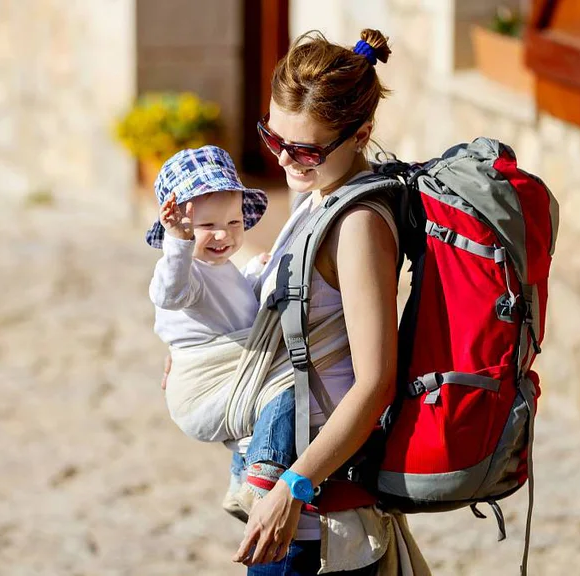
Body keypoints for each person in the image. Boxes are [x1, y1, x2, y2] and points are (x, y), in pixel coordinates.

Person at [164, 29, 431, 575]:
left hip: (316, 525)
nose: (287, 160)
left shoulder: (357, 224)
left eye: (307, 149)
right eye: (274, 139)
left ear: (362, 135)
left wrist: (292, 487)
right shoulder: (317, 196)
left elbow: (376, 381)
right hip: (294, 513)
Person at [146, 145, 299, 521]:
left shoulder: (221, 268)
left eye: (234, 224)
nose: (223, 236)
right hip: (204, 384)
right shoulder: (185, 273)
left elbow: (238, 310)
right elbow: (172, 294)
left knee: (259, 388)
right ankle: (261, 475)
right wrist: (178, 244)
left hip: (230, 374)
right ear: (179, 228)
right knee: (286, 388)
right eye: (206, 226)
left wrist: (255, 276)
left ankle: (237, 481)